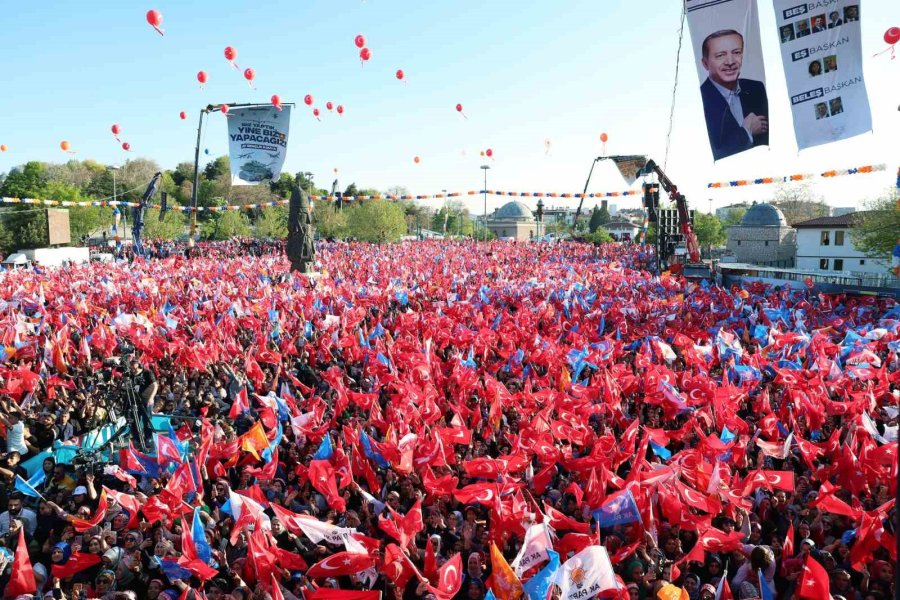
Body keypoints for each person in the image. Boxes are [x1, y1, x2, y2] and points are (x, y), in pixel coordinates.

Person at [698, 29, 769, 160]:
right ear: (705, 64)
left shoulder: (756, 89)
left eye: (736, 53)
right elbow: (720, 151)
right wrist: (747, 130)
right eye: (720, 55)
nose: (730, 62)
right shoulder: (701, 99)